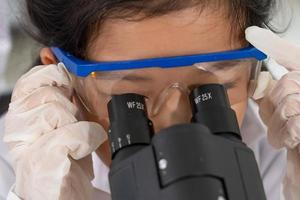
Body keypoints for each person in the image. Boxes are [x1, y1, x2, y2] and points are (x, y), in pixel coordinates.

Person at [1, 0, 300, 199]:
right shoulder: (15, 171)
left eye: (210, 88)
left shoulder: (278, 147)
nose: (174, 124)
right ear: (61, 81)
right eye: (131, 97)